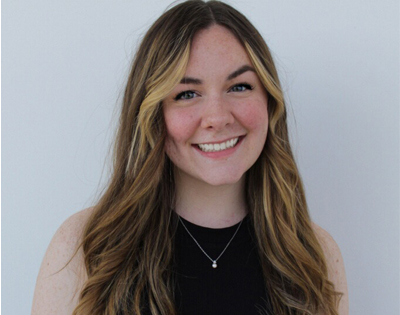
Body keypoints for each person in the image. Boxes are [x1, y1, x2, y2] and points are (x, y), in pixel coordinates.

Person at [32, 1, 348, 314]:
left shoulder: (313, 254)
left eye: (239, 86)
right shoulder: (84, 246)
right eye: (187, 94)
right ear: (153, 114)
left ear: (269, 101)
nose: (218, 117)